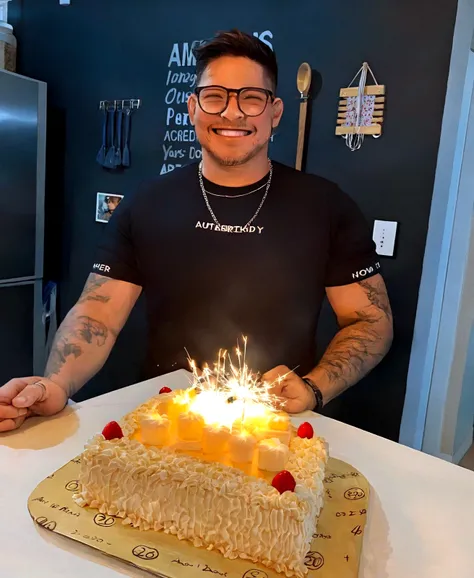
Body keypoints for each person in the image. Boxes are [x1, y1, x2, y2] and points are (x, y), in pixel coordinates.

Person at [0, 29, 393, 433]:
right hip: (164, 425)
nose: (232, 113)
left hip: (278, 427)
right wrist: (56, 384)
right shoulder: (148, 202)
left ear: (274, 113)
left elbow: (371, 321)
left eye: (251, 98)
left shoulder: (326, 206)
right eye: (215, 96)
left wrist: (314, 386)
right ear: (193, 107)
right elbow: (97, 314)